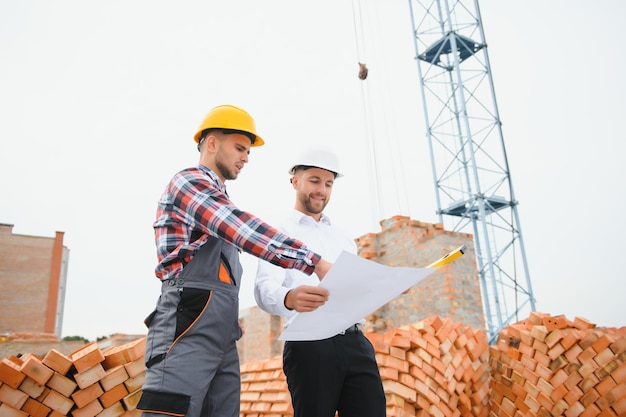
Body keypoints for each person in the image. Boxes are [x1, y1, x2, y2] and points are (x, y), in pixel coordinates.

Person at [136, 105, 332, 417]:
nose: (245, 158)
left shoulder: (220, 200)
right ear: (212, 143)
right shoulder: (189, 183)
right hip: (186, 327)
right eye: (240, 148)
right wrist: (315, 263)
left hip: (223, 334)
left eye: (249, 152)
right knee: (171, 411)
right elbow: (243, 228)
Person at [254, 148, 386, 417]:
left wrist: (382, 286)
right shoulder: (279, 233)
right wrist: (289, 298)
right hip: (310, 344)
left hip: (355, 342)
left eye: (328, 184)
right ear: (295, 181)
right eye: (314, 181)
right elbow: (263, 288)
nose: (322, 190)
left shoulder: (344, 238)